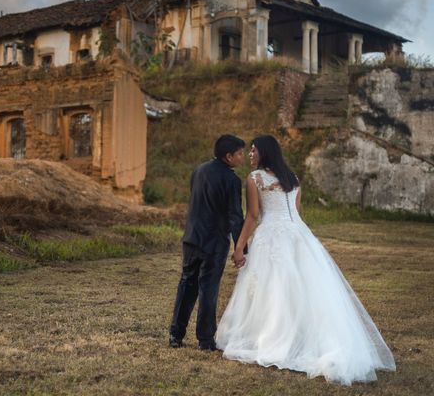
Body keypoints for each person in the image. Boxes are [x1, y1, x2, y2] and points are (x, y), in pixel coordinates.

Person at [215, 135, 396, 385]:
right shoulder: (294, 179)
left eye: (254, 150)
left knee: (273, 288)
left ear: (264, 153)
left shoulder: (255, 178)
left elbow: (253, 215)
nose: (250, 155)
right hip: (299, 235)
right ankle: (301, 336)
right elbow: (296, 213)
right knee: (304, 288)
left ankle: (273, 337)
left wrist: (239, 247)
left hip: (272, 237)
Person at [169, 134, 245, 350]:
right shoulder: (232, 180)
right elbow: (235, 216)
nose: (242, 158)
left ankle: (176, 334)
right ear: (228, 156)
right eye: (240, 154)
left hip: (192, 237)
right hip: (214, 242)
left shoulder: (198, 171)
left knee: (186, 285)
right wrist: (242, 247)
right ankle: (205, 339)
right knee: (208, 289)